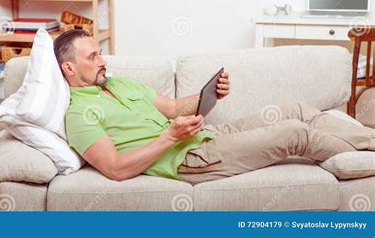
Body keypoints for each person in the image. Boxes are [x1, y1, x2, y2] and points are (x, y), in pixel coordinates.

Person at [54, 29, 375, 184]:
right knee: (295, 132)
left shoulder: (118, 83)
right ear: (69, 68)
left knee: (296, 109)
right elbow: (115, 169)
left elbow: (177, 107)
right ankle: (362, 160)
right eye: (93, 57)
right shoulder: (79, 114)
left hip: (204, 136)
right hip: (189, 158)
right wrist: (170, 139)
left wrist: (209, 96)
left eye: (100, 53)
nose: (103, 61)